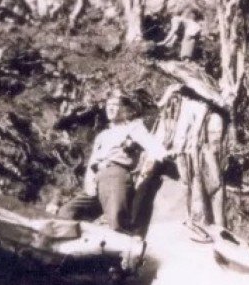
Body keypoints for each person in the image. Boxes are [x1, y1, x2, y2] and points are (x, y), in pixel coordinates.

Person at [58, 89, 168, 232]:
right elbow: (92, 161)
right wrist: (89, 184)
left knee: (117, 222)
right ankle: (66, 250)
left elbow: (150, 144)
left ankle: (126, 251)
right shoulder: (102, 135)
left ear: (126, 110)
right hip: (97, 179)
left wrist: (165, 156)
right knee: (67, 211)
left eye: (115, 105)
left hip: (115, 176)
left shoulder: (133, 127)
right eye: (108, 104)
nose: (110, 108)